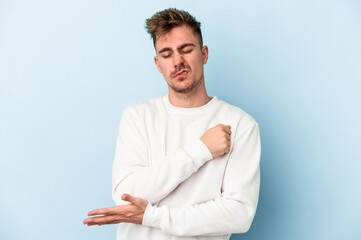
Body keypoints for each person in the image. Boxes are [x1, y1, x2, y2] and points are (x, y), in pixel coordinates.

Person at [83, 8, 261, 240]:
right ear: (158, 64)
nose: (178, 61)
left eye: (186, 50)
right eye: (166, 55)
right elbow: (127, 195)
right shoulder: (138, 116)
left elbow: (239, 214)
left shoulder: (240, 125)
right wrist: (202, 150)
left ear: (204, 54)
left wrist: (151, 216)